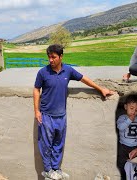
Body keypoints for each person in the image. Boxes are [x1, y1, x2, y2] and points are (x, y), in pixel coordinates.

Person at [33, 44, 115, 180]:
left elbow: (84, 79)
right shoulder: (43, 72)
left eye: (53, 57)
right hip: (46, 115)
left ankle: (56, 169)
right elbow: (36, 90)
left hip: (61, 116)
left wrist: (101, 89)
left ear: (61, 57)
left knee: (58, 144)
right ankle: (47, 171)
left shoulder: (68, 70)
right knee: (46, 145)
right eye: (49, 57)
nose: (50, 60)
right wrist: (37, 111)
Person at [116, 94, 137, 180]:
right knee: (122, 164)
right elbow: (120, 127)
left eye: (136, 110)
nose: (133, 112)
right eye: (131, 108)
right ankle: (123, 177)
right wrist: (129, 120)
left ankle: (134, 177)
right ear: (126, 107)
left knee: (136, 164)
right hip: (123, 147)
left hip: (136, 146)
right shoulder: (122, 118)